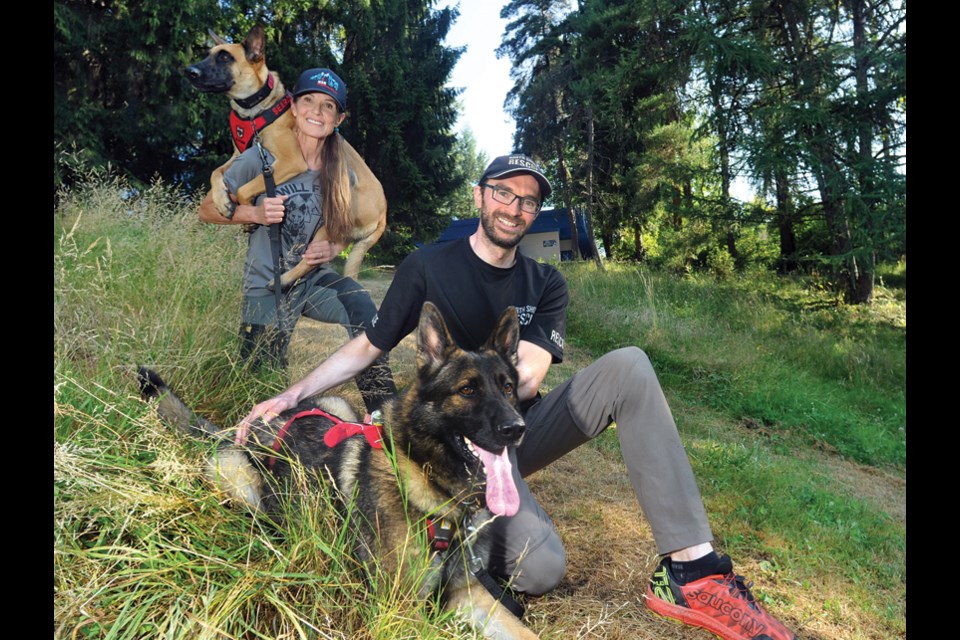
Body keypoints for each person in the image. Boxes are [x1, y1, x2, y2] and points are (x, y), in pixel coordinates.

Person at [236, 154, 797, 640]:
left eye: (528, 201)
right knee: (542, 570)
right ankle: (462, 555)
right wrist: (291, 394)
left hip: (511, 431)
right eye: (504, 192)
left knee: (629, 365)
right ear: (480, 197)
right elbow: (369, 344)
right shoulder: (428, 265)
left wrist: (495, 385)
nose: (515, 207)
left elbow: (527, 377)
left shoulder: (545, 282)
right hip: (451, 438)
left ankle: (692, 570)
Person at [198, 67, 395, 414]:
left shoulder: (342, 172)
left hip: (313, 281)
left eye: (328, 107)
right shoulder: (260, 157)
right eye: (308, 101)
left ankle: (386, 417)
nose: (316, 113)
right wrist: (254, 214)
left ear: (339, 118)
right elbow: (205, 210)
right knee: (260, 383)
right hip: (266, 284)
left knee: (363, 307)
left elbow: (342, 230)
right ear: (293, 106)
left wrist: (336, 247)